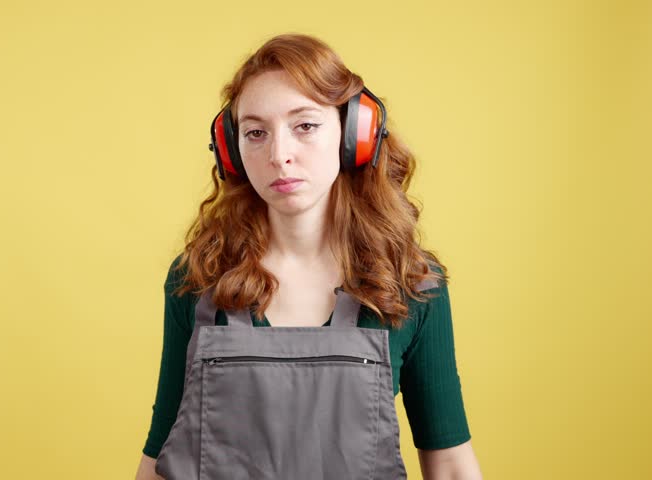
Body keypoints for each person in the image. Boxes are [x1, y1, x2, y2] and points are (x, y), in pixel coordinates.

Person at [135, 33, 482, 480]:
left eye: (305, 126)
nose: (279, 155)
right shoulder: (199, 277)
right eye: (256, 133)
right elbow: (161, 455)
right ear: (232, 151)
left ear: (353, 135)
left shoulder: (410, 282)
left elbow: (450, 465)